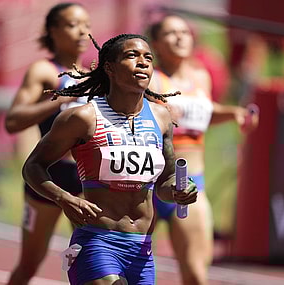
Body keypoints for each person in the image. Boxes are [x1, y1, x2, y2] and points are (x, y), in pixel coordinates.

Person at [22, 33, 198, 285]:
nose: (142, 62)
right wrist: (64, 198)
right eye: (131, 56)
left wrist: (182, 190)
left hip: (141, 249)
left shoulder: (160, 118)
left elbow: (166, 184)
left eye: (148, 57)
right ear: (109, 68)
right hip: (97, 241)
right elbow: (33, 167)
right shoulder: (83, 118)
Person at [147, 14, 259, 285]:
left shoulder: (200, 76)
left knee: (196, 274)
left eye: (184, 32)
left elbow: (206, 113)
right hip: (148, 185)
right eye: (171, 33)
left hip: (190, 183)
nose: (180, 37)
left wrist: (234, 113)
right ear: (156, 44)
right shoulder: (151, 80)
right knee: (131, 271)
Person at [4, 3, 92, 284]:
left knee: (94, 263)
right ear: (53, 31)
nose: (82, 31)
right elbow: (13, 121)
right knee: (29, 264)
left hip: (85, 181)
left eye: (86, 25)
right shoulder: (43, 70)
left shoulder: (95, 74)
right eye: (72, 25)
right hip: (48, 178)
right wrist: (61, 98)